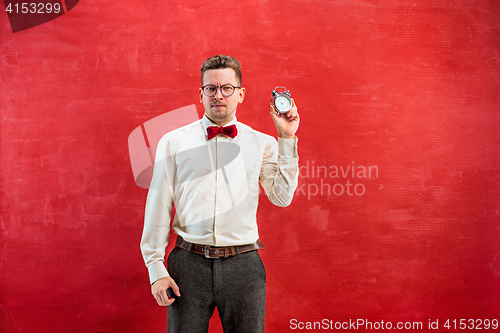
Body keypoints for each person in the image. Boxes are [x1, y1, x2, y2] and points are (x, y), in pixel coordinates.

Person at [140, 55, 300, 333]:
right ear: (201, 94)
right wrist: (156, 269)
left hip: (244, 266)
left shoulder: (263, 143)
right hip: (187, 265)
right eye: (210, 88)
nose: (218, 95)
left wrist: (286, 138)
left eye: (227, 88)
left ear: (241, 94)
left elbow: (282, 197)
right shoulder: (174, 142)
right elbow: (158, 206)